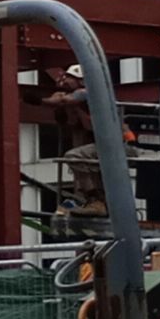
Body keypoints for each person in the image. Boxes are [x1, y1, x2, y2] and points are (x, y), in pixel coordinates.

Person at [42, 64, 105, 216]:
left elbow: (65, 101)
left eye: (71, 78)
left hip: (113, 143)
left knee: (74, 156)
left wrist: (40, 100)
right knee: (86, 161)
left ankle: (96, 201)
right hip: (102, 141)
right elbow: (62, 117)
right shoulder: (82, 99)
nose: (66, 80)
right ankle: (89, 200)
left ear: (82, 81)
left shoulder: (87, 92)